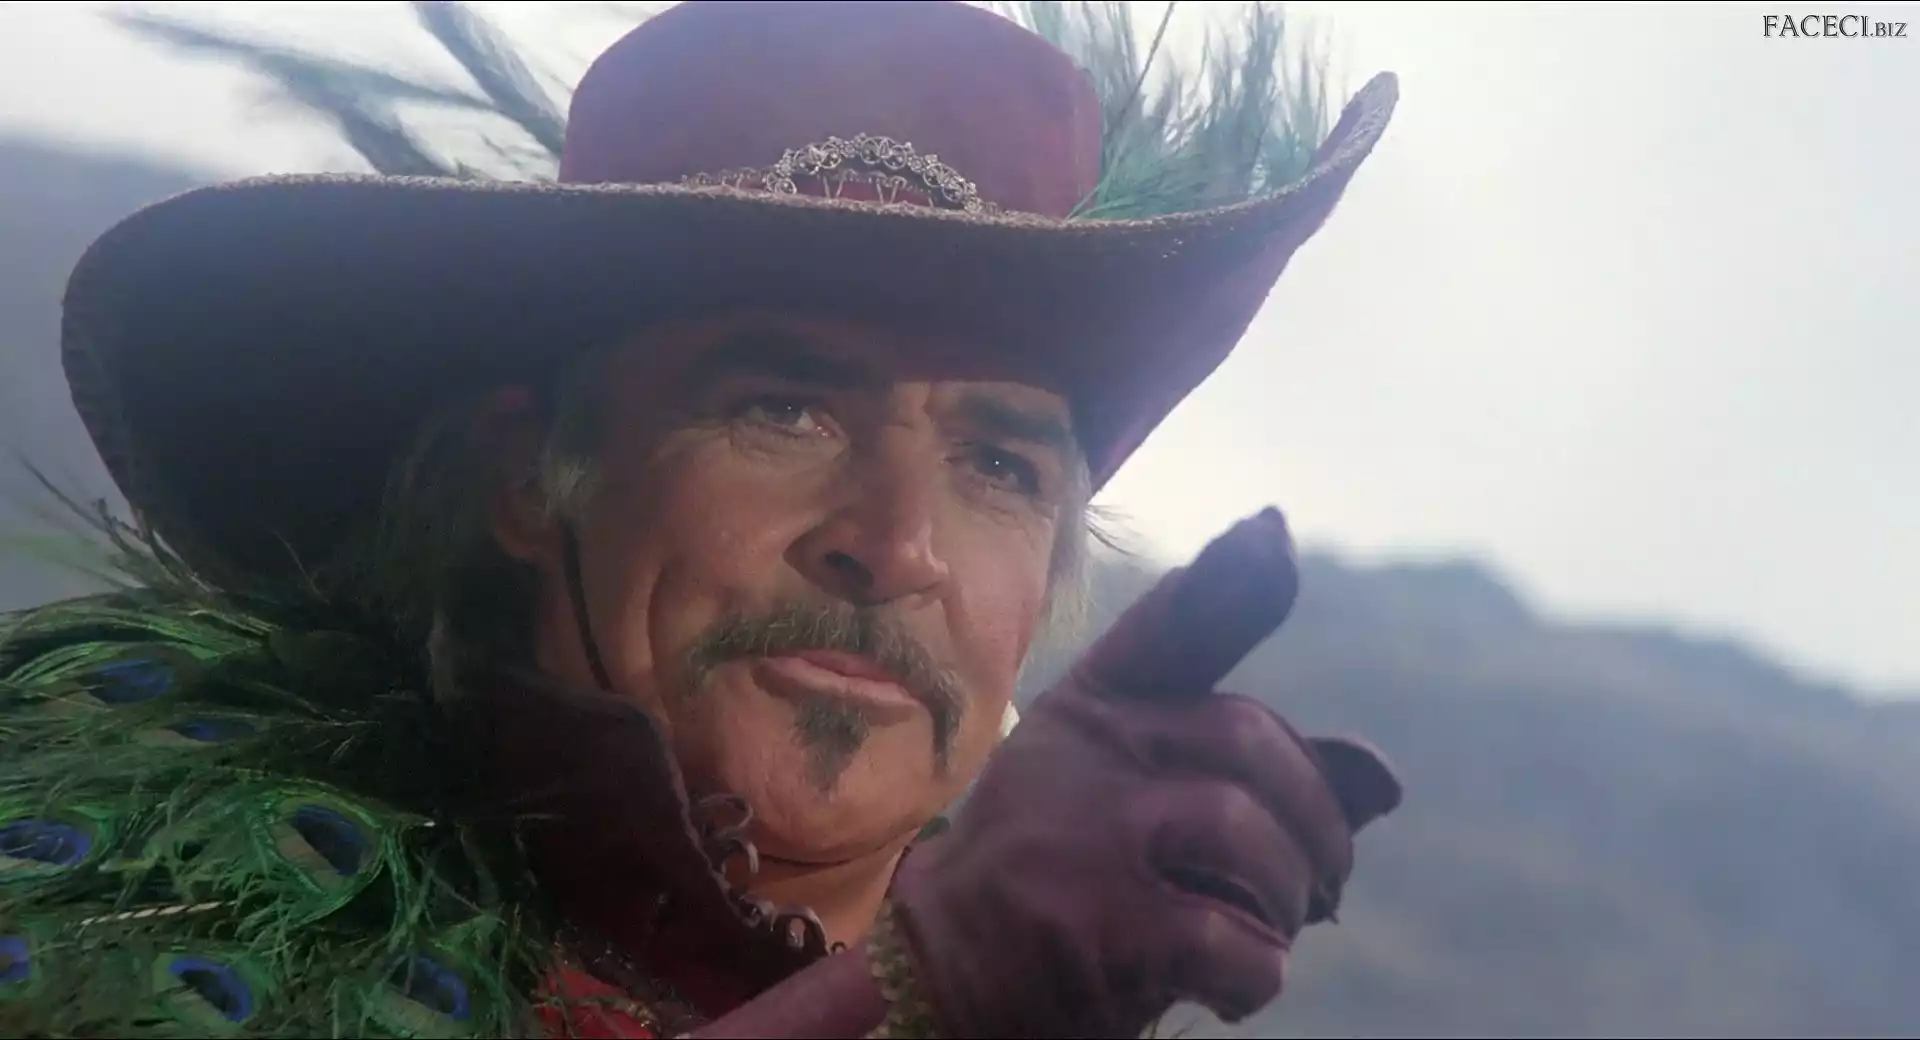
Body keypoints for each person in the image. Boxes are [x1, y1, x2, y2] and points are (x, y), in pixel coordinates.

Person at [0, 2, 1404, 1036]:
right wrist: (917, 988)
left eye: (998, 467)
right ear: (525, 475)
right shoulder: (155, 898)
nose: (895, 545)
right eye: (784, 412)